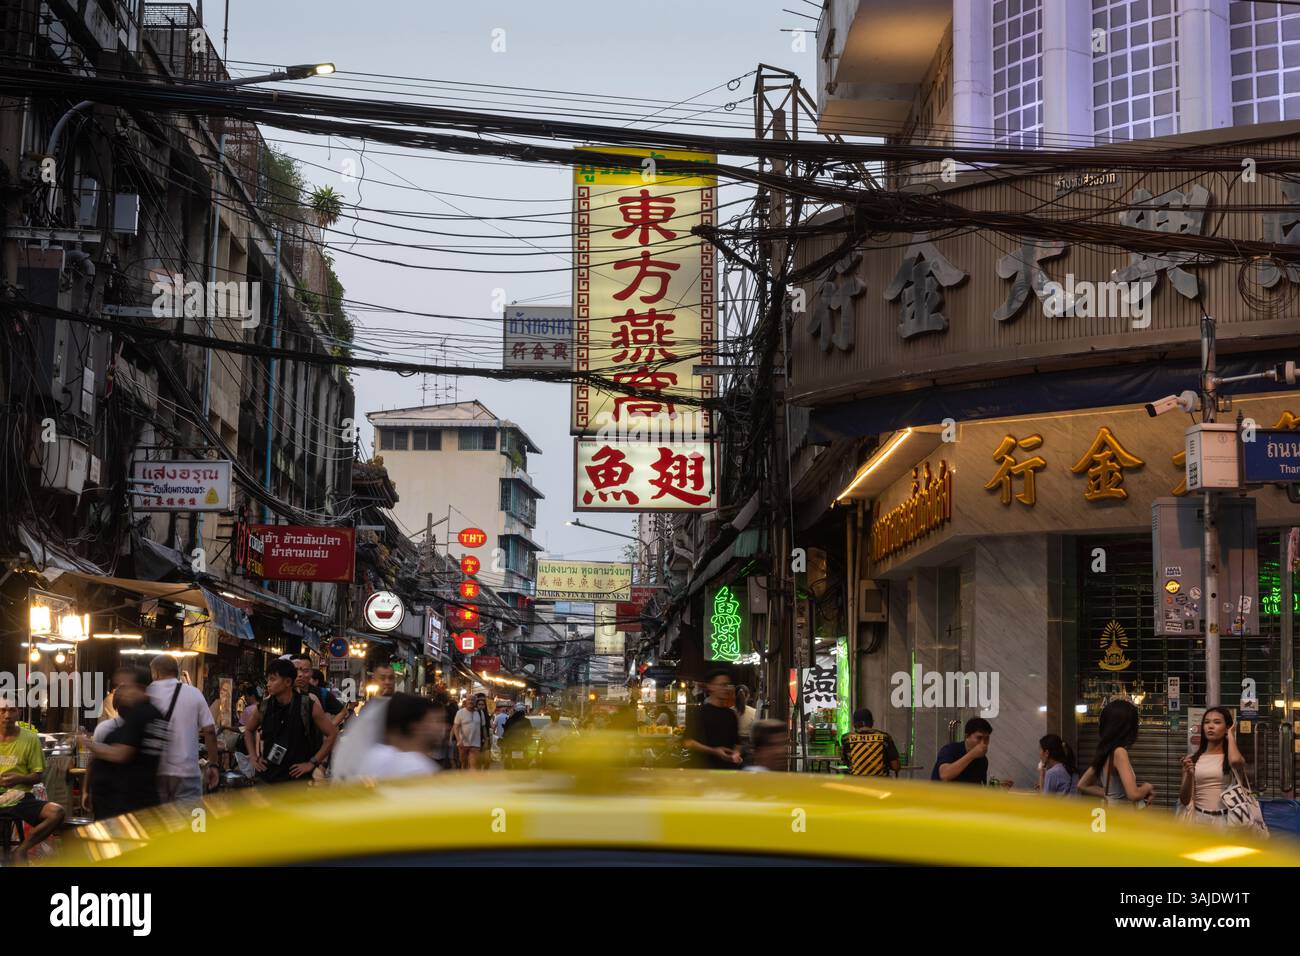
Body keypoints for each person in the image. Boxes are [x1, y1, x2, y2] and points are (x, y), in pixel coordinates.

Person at [80, 668, 165, 820]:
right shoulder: (155, 713)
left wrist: (89, 744)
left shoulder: (140, 714)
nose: (121, 691)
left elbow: (122, 754)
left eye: (125, 686)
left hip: (123, 802)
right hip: (132, 798)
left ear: (140, 688)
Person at [243, 659, 338, 785]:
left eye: (272, 679)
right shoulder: (264, 707)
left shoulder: (307, 705)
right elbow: (248, 730)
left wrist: (312, 763)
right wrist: (253, 757)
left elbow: (332, 734)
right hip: (267, 777)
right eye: (268, 680)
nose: (268, 684)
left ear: (288, 682)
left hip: (297, 781)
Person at [0, 693, 65, 862]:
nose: (7, 715)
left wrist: (19, 779)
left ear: (19, 712)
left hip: (20, 797)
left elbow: (38, 776)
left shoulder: (30, 738)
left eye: (12, 710)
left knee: (57, 812)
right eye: (2, 710)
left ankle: (21, 850)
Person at [147, 654, 219, 803]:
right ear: (176, 672)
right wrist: (213, 764)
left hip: (155, 772)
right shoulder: (194, 693)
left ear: (156, 673)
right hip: (187, 773)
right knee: (192, 823)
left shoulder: (147, 693)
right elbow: (210, 731)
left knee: (159, 823)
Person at [1178, 706, 1246, 828]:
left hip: (1227, 821)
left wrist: (1230, 734)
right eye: (1206, 722)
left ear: (1227, 727)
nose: (1210, 726)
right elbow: (1184, 799)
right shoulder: (1193, 759)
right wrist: (1188, 774)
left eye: (1217, 722)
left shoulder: (1231, 758)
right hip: (1198, 820)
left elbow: (1236, 761)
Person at [1078, 699, 1154, 806]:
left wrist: (1112, 795)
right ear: (1127, 727)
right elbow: (1133, 794)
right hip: (1121, 819)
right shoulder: (1119, 752)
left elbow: (1082, 785)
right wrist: (1147, 787)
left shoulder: (1105, 752)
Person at [330, 661, 398, 780]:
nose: (387, 682)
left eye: (390, 678)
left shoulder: (401, 707)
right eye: (383, 678)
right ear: (374, 680)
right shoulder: (367, 710)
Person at [355, 693, 442, 780]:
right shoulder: (418, 766)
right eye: (436, 721)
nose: (443, 726)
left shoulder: (375, 754)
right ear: (416, 726)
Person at [683, 669, 742, 769]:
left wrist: (736, 754)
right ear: (710, 687)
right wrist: (714, 751)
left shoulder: (731, 714)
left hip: (727, 771)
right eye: (722, 685)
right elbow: (688, 742)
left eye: (727, 685)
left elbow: (737, 743)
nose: (726, 688)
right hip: (703, 769)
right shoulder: (699, 712)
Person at [931, 717, 997, 785]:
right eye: (979, 738)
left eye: (986, 738)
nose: (983, 743)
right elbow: (945, 775)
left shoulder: (982, 760)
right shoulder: (950, 749)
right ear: (967, 737)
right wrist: (972, 755)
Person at [841, 708, 901, 776]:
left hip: (857, 783)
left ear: (854, 724)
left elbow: (845, 761)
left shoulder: (846, 738)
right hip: (880, 783)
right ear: (871, 722)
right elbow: (895, 766)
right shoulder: (885, 737)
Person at [453, 694, 487, 770]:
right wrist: (458, 740)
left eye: (473, 700)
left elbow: (483, 727)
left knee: (473, 765)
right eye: (469, 700)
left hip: (475, 744)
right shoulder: (460, 712)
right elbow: (456, 727)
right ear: (466, 701)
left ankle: (470, 779)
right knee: (463, 764)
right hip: (463, 744)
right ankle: (463, 779)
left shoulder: (480, 713)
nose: (471, 701)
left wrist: (486, 740)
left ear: (475, 702)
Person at [500, 702, 532, 769]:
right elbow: (505, 732)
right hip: (514, 745)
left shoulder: (511, 720)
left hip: (520, 745)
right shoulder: (525, 721)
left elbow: (530, 733)